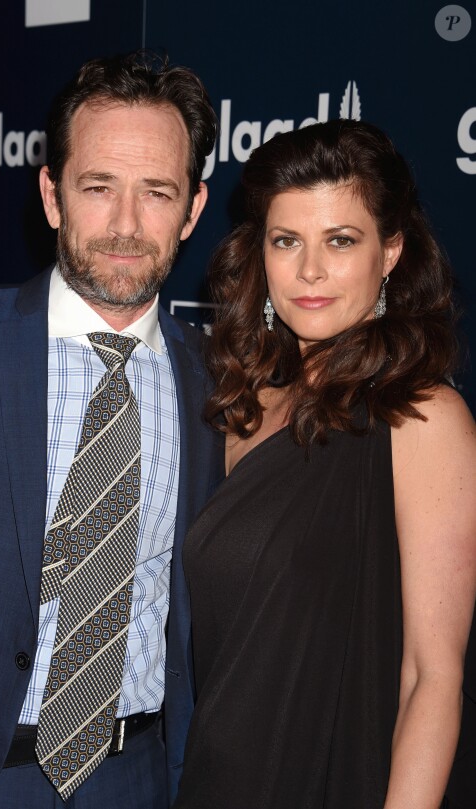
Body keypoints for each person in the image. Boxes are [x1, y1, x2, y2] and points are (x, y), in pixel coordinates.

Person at [0, 51, 223, 808]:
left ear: (194, 210)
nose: (126, 225)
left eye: (157, 193)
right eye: (98, 187)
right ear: (52, 195)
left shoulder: (218, 381)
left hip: (135, 779)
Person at [172, 120, 476, 809]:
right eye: (287, 241)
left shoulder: (421, 416)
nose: (309, 271)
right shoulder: (240, 405)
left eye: (341, 240)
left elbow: (432, 677)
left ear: (390, 251)